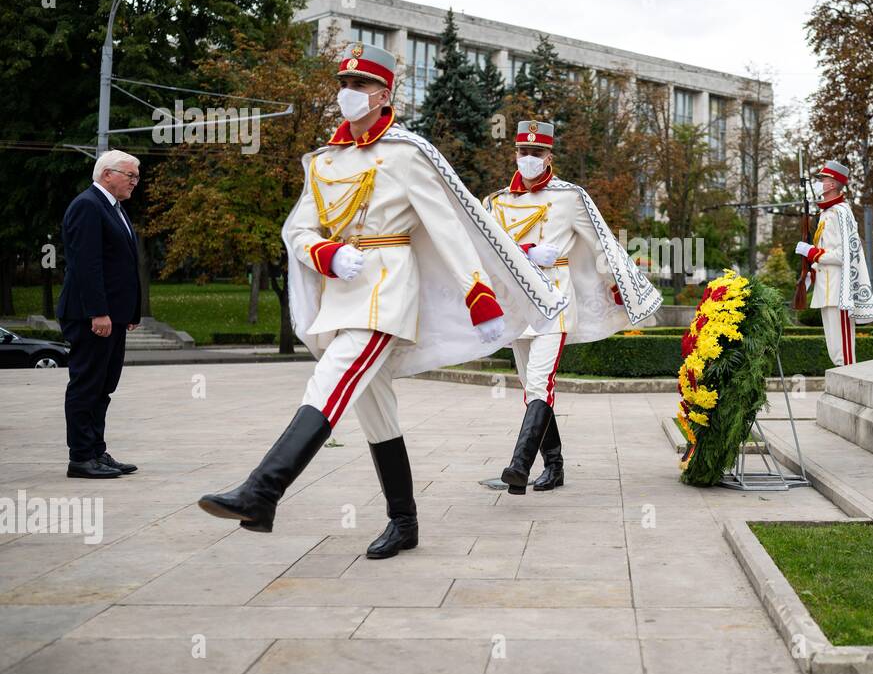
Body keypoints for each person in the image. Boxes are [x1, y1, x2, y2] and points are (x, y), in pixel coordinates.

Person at [199, 44, 565, 556]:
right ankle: (405, 522)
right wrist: (324, 253)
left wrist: (479, 295)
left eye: (358, 85)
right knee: (376, 412)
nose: (347, 94)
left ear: (383, 94)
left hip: (385, 293)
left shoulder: (405, 153)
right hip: (340, 292)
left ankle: (263, 491)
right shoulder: (324, 160)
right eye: (342, 84)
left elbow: (450, 229)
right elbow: (298, 229)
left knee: (331, 381)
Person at [484, 120, 660, 494]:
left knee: (539, 381)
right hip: (517, 305)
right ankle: (555, 465)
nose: (529, 159)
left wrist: (618, 284)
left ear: (550, 156)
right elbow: (486, 251)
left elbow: (601, 243)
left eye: (536, 153)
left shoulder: (570, 196)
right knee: (529, 385)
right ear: (514, 153)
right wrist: (528, 252)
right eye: (523, 152)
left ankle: (519, 466)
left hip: (555, 300)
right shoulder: (496, 202)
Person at [57, 150, 143, 479]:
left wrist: (128, 313)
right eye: (129, 175)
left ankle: (96, 450)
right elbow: (86, 264)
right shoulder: (87, 205)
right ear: (107, 174)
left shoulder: (114, 208)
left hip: (113, 316)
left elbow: (121, 266)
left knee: (104, 386)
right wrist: (99, 312)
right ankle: (80, 456)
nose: (135, 181)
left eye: (136, 176)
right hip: (90, 315)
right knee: (87, 384)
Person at [793, 159, 873, 367]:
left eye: (823, 179)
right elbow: (827, 252)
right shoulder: (826, 214)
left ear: (832, 184)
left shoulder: (841, 212)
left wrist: (812, 252)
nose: (820, 183)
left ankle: (849, 381)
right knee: (833, 346)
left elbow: (844, 254)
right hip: (826, 288)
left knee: (844, 350)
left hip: (840, 289)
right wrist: (809, 275)